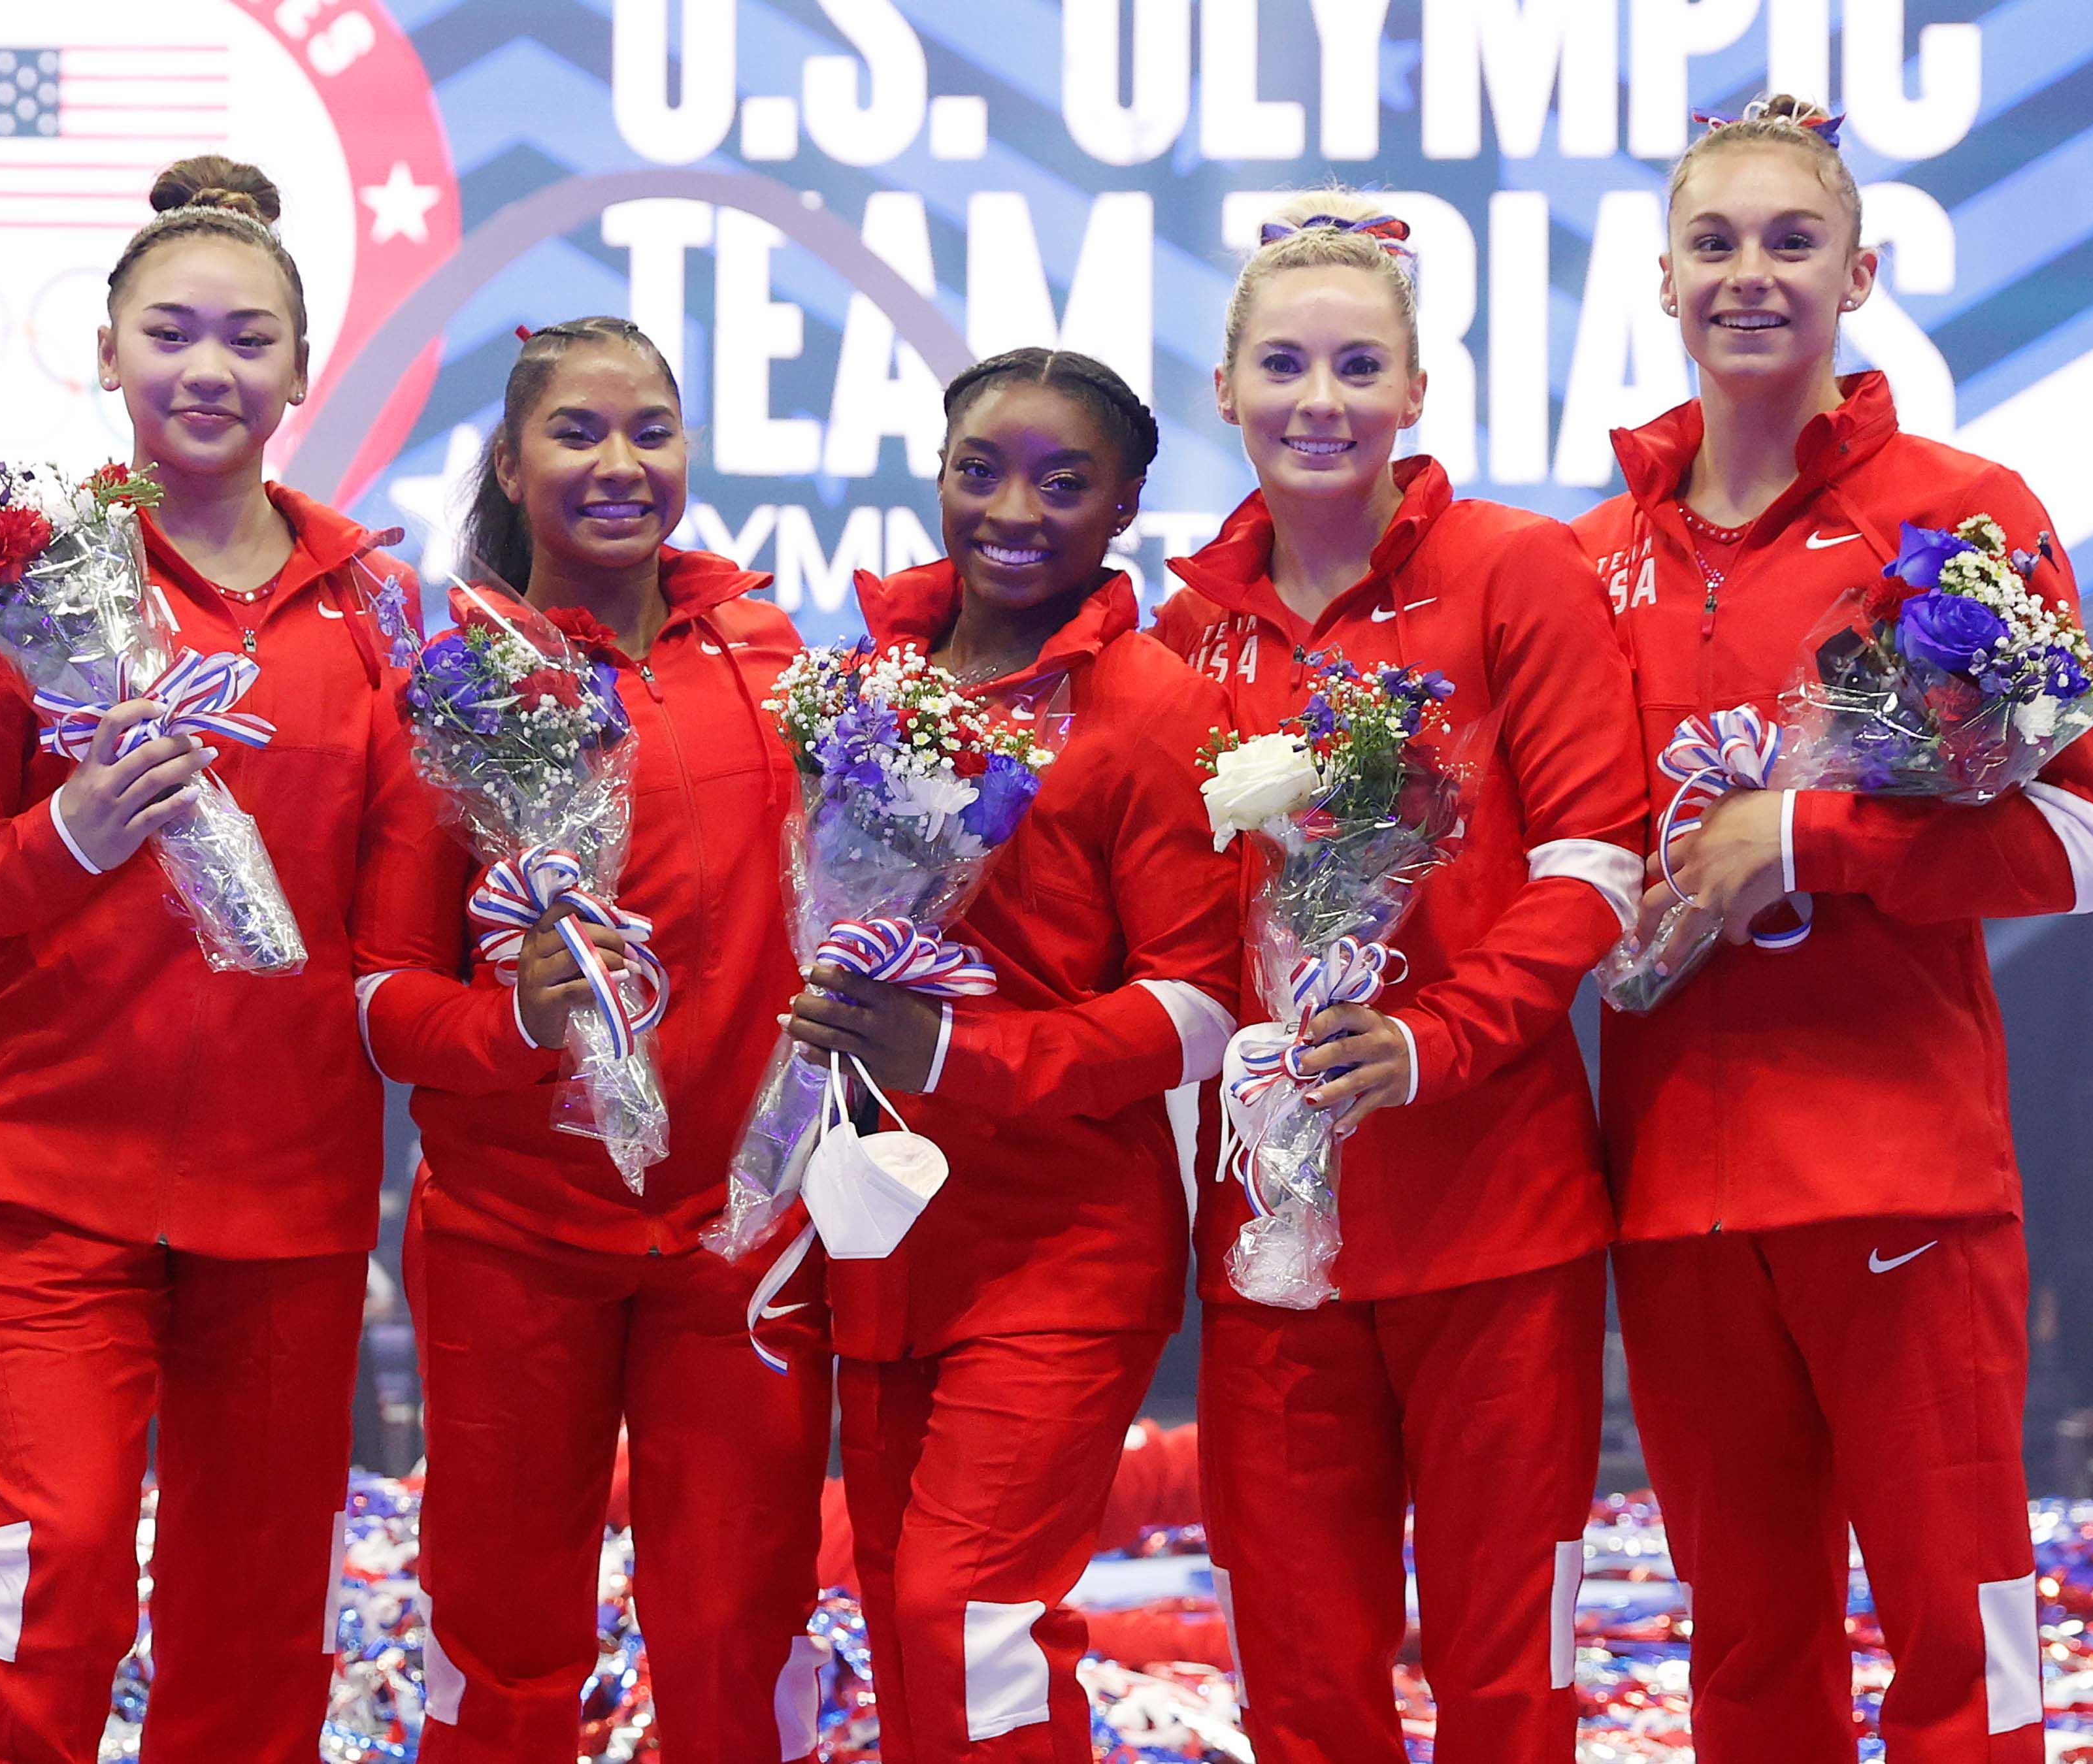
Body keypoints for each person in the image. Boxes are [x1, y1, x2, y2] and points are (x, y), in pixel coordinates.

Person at [1573, 95, 2093, 1762]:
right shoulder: (1585, 560)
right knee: (1745, 1658)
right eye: (1714, 243)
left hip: (1897, 1173)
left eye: (1790, 240)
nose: (1750, 274)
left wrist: (1803, 836)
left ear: (1859, 273)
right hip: (1669, 1189)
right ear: (1663, 281)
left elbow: (2084, 840)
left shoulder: (1956, 515)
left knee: (1964, 1643)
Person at [0, 155, 422, 1763]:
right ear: (104, 354)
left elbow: (390, 929)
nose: (208, 369)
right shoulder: (21, 579)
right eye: (170, 334)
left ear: (303, 370)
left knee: (258, 1604)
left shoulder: (381, 610)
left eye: (246, 339)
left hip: (293, 1189)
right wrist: (74, 837)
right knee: (47, 1563)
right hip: (58, 1174)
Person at [1155, 189, 1647, 1761]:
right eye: (1283, 365)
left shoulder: (1515, 572)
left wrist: (1433, 1040)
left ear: (1416, 392)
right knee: (1300, 1676)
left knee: (1505, 1677)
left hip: (1493, 1217)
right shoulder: (1178, 638)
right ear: (1222, 387)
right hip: (1271, 1244)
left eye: (1358, 366)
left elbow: (1595, 859)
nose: (1320, 400)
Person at [354, 316, 830, 1764]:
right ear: (509, 463)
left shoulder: (772, 658)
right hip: (516, 1237)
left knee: (735, 1639)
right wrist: (519, 1027)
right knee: (501, 1645)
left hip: (737, 1240)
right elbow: (380, 1000)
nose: (620, 464)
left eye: (651, 432)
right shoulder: (447, 690)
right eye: (577, 433)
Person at [783, 347, 1237, 1763]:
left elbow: (1200, 1006)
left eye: (1064, 482)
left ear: (1124, 511)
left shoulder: (1153, 702)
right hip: (885, 1228)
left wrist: (960, 1052)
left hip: (1064, 1243)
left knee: (967, 1612)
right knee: (898, 1605)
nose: (1013, 509)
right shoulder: (861, 680)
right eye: (980, 470)